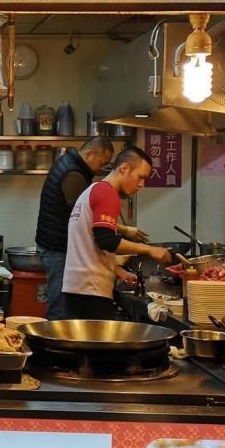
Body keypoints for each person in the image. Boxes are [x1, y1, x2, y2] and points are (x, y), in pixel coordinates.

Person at [36, 137, 150, 320]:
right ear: (89, 153)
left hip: (65, 257)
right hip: (60, 250)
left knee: (63, 314)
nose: (102, 167)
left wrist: (117, 270)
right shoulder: (76, 175)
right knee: (59, 312)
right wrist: (150, 249)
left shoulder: (76, 168)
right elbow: (98, 232)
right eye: (102, 162)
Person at [62, 145, 173, 321]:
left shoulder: (92, 190)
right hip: (91, 291)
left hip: (77, 288)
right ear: (124, 168)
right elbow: (105, 240)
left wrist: (118, 271)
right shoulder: (107, 193)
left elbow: (89, 245)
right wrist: (150, 250)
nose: (141, 185)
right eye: (140, 177)